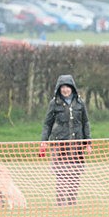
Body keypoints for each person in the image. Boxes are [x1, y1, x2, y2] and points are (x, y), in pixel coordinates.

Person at [40, 74, 92, 206]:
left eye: (67, 87)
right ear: (59, 88)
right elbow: (47, 124)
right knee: (62, 174)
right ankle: (61, 202)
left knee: (75, 174)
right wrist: (44, 140)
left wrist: (88, 142)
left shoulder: (80, 103)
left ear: (72, 88)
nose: (65, 90)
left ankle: (72, 201)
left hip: (76, 145)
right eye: (62, 87)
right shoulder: (54, 103)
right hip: (60, 145)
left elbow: (85, 122)